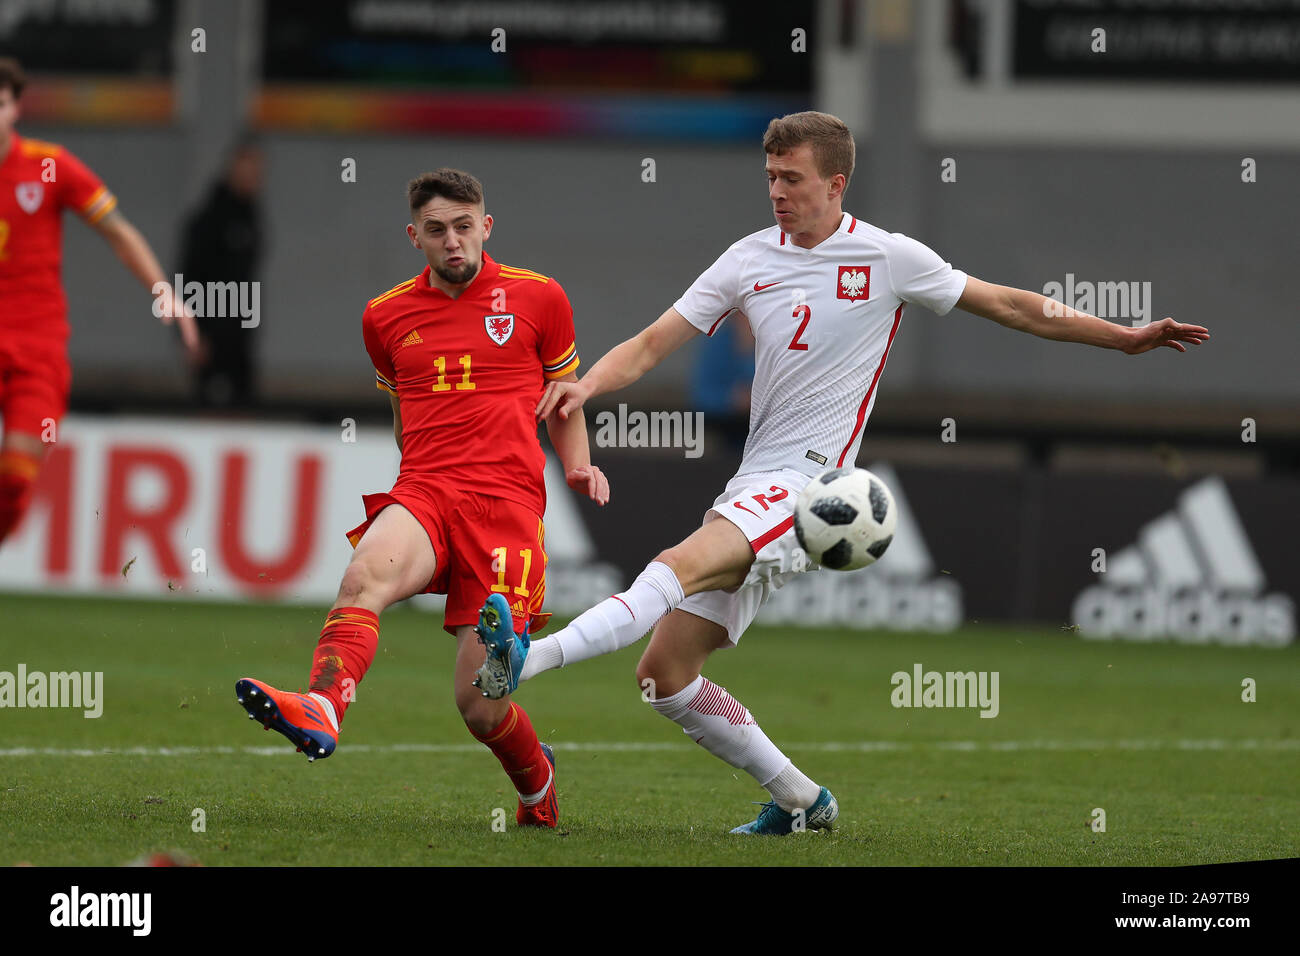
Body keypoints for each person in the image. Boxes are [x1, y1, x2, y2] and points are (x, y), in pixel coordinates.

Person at [473, 111, 1209, 834]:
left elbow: (1013, 305)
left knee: (675, 564)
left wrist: (1123, 338)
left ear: (836, 182)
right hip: (753, 483)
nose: (776, 192)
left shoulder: (888, 258)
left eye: (791, 179)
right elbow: (651, 342)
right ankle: (801, 801)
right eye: (769, 177)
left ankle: (526, 660)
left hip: (810, 490)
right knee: (664, 676)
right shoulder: (748, 257)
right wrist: (588, 386)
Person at [235, 168, 608, 828]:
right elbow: (402, 410)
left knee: (479, 708)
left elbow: (566, 397)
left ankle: (536, 782)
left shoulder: (540, 298)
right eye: (436, 230)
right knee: (361, 579)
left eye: (465, 226)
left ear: (486, 227)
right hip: (428, 491)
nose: (453, 241)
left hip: (509, 506)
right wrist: (415, 483)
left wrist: (577, 466)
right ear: (415, 237)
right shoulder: (384, 316)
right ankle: (323, 706)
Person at [0, 57, 197, 546]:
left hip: (36, 348)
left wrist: (163, 292)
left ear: (15, 108)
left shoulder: (49, 166)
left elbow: (117, 230)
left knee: (17, 476)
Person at [179, 136, 264, 408]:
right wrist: (195, 334)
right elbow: (190, 275)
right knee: (208, 404)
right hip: (211, 334)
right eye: (247, 170)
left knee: (243, 402)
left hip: (240, 333)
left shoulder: (251, 215)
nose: (253, 179)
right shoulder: (210, 219)